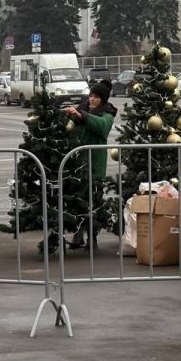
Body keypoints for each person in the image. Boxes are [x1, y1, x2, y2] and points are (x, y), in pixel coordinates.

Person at [64, 79, 117, 250]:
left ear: (103, 99)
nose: (92, 99)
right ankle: (78, 235)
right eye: (90, 96)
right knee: (77, 200)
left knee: (94, 201)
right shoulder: (82, 109)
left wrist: (82, 116)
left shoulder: (107, 114)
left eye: (96, 97)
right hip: (78, 164)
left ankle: (92, 239)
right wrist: (69, 114)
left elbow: (101, 127)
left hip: (95, 164)